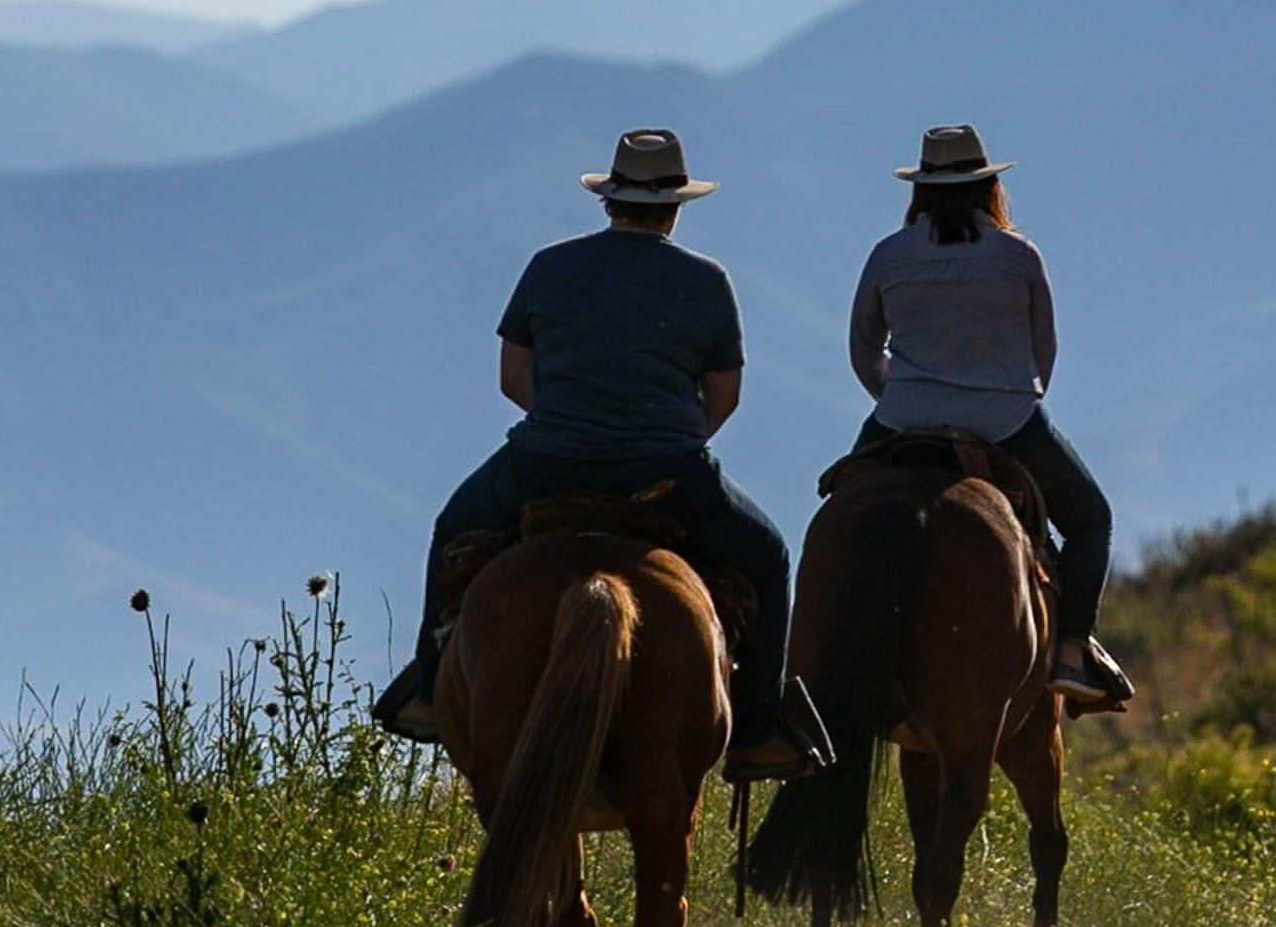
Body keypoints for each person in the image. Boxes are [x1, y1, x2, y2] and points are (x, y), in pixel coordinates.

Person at [373, 128, 811, 776]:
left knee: (454, 529)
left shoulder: (549, 266)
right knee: (768, 555)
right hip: (670, 471)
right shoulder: (706, 280)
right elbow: (725, 394)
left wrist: (568, 426)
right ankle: (754, 728)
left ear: (609, 199)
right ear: (675, 206)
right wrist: (674, 442)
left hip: (546, 461)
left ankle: (432, 691)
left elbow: (511, 379)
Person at [848, 123, 1118, 703]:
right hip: (1007, 424)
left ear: (918, 189)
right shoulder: (1018, 257)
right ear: (987, 185)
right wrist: (1006, 394)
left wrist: (897, 399)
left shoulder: (888, 255)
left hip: (902, 419)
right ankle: (1071, 651)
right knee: (1092, 519)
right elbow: (1042, 356)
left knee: (841, 518)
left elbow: (864, 348)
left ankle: (817, 663)